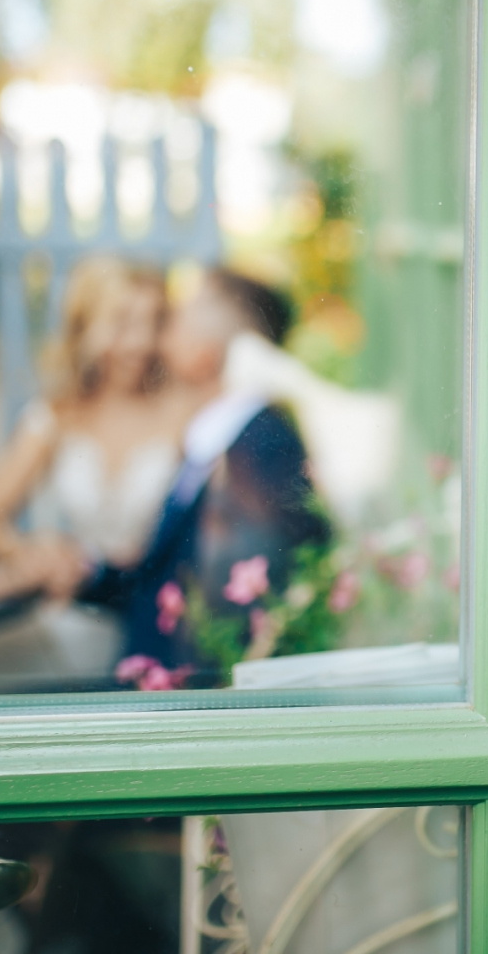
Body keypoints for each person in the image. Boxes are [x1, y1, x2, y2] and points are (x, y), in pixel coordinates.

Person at [115, 269, 329, 678]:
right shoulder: (219, 437)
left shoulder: (263, 449)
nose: (160, 334)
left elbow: (240, 605)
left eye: (176, 320)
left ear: (206, 352)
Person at [0, 256, 194, 606]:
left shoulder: (185, 415)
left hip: (163, 612)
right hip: (79, 610)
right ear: (86, 327)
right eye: (122, 322)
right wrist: (34, 554)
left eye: (155, 322)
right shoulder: (56, 417)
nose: (141, 342)